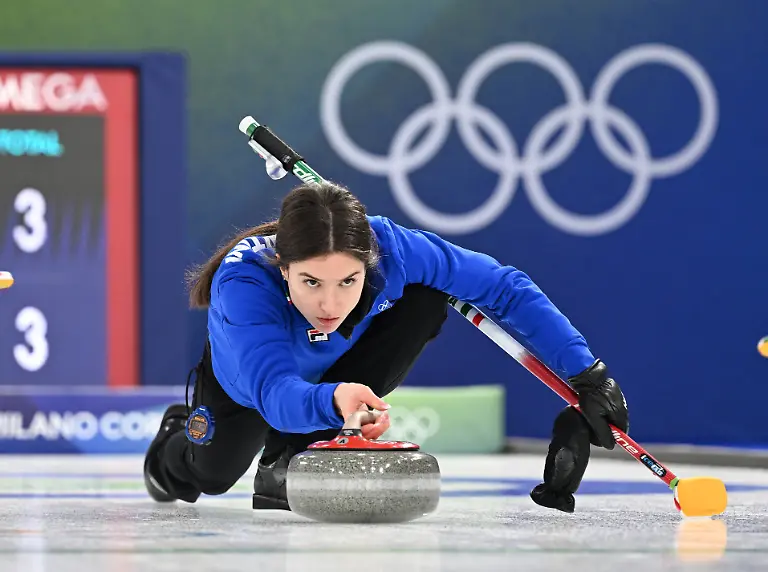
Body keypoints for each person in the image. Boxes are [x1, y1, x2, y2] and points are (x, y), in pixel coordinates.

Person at [143, 181, 629, 513]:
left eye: (348, 280)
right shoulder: (244, 286)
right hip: (249, 388)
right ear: (283, 267)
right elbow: (274, 393)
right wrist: (337, 400)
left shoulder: (394, 249)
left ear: (369, 261)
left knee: (427, 297)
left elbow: (502, 287)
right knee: (207, 477)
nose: (329, 303)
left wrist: (587, 374)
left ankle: (292, 453)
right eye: (310, 281)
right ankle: (174, 439)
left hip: (331, 377)